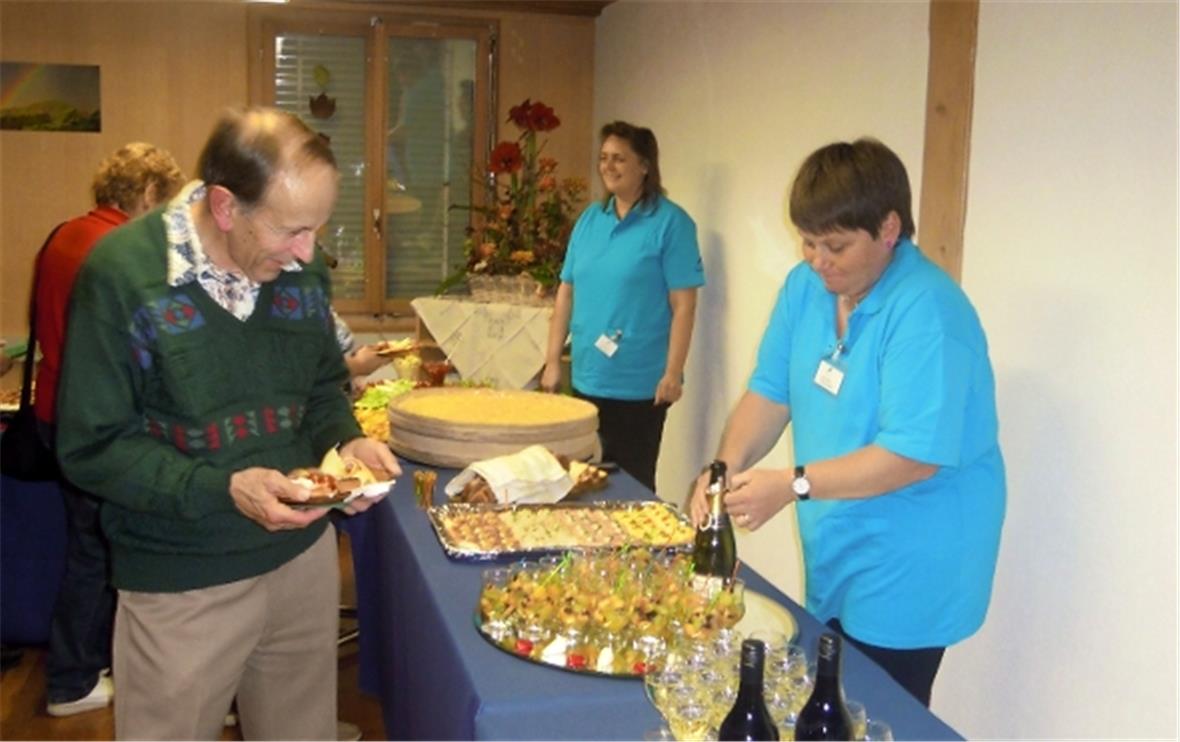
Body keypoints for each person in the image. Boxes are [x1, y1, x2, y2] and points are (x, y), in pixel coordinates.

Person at [55, 107, 399, 740]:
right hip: (181, 581)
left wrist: (344, 439)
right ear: (223, 206)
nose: (307, 253)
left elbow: (323, 384)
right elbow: (93, 448)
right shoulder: (123, 277)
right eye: (292, 229)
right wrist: (225, 488)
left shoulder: (302, 272)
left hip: (301, 562)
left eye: (317, 228)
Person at [690, 138, 1005, 707]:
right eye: (808, 242)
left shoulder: (927, 311)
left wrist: (790, 485)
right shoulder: (806, 288)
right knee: (826, 698)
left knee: (874, 711)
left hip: (912, 551)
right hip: (840, 537)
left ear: (888, 229)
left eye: (834, 245)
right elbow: (770, 392)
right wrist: (724, 466)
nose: (817, 260)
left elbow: (912, 455)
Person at [31, 142, 186, 717]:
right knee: (99, 554)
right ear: (148, 194)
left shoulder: (64, 234)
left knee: (86, 549)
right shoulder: (117, 250)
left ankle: (84, 668)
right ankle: (72, 680)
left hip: (55, 411)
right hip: (94, 423)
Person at [541, 121, 704, 492]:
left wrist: (673, 372)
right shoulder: (590, 220)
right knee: (582, 483)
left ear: (645, 165)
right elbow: (566, 292)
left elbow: (684, 306)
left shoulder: (671, 223)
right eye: (603, 158)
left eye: (619, 159)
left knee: (631, 489)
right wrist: (552, 361)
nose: (608, 167)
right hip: (586, 378)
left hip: (640, 386)